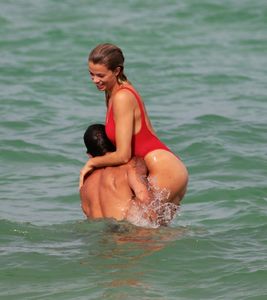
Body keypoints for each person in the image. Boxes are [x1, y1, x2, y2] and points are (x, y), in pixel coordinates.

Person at [80, 43, 188, 207]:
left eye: (100, 75)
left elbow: (123, 155)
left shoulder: (122, 97)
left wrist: (91, 163)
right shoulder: (112, 93)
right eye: (91, 74)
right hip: (164, 167)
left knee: (135, 230)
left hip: (162, 168)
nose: (95, 80)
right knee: (156, 232)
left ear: (117, 71)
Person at [80, 124, 151, 223]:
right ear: (116, 144)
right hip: (125, 231)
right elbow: (144, 198)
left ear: (89, 155)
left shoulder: (85, 184)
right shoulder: (129, 166)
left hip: (99, 236)